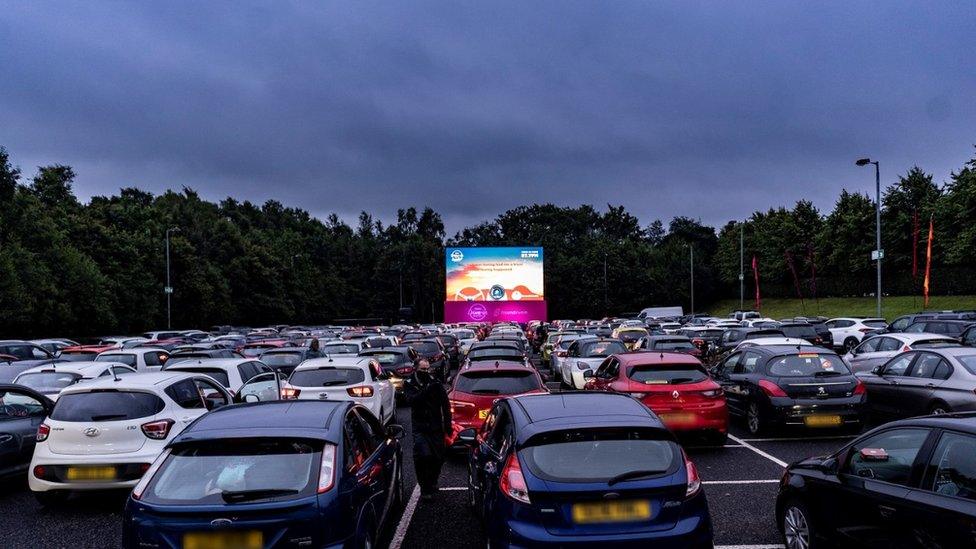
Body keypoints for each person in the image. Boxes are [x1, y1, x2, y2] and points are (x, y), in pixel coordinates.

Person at [402, 358, 451, 500]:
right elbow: (411, 401)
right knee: (423, 457)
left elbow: (445, 405)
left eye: (427, 369)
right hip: (420, 426)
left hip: (436, 426)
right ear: (416, 368)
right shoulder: (409, 383)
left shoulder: (434, 381)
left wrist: (447, 425)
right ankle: (425, 488)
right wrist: (426, 391)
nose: (426, 372)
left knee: (439, 457)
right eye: (423, 369)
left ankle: (433, 481)